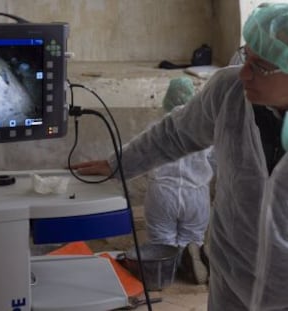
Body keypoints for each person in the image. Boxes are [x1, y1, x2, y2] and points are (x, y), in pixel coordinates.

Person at [71, 3, 288, 310]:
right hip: (232, 276)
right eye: (246, 55)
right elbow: (174, 134)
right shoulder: (228, 93)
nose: (244, 73)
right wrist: (118, 163)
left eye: (261, 66)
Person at [138, 77, 215, 285]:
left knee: (161, 240)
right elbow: (215, 161)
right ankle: (195, 257)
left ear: (167, 100)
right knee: (192, 237)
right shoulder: (205, 129)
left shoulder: (156, 127)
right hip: (197, 192)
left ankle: (167, 273)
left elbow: (142, 158)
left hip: (162, 191)